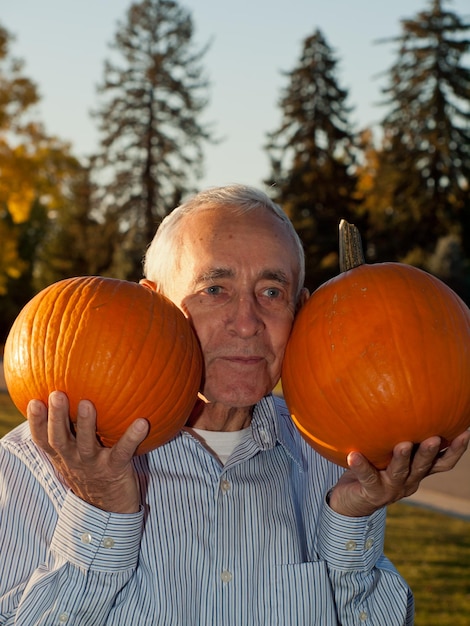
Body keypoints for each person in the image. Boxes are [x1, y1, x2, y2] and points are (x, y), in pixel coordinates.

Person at [0, 184, 468, 625]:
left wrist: (355, 517)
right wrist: (99, 511)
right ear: (155, 302)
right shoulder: (35, 464)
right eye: (214, 289)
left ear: (301, 312)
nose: (247, 324)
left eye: (271, 292)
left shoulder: (339, 460)